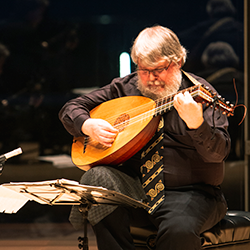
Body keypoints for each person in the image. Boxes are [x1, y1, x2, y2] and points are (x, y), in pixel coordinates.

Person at [59, 25, 230, 250]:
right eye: (143, 69)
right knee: (97, 178)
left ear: (178, 61)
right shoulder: (125, 87)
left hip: (191, 192)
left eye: (159, 69)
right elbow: (71, 108)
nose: (151, 78)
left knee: (178, 231)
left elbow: (218, 153)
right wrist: (88, 125)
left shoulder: (200, 94)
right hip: (135, 189)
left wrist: (196, 124)